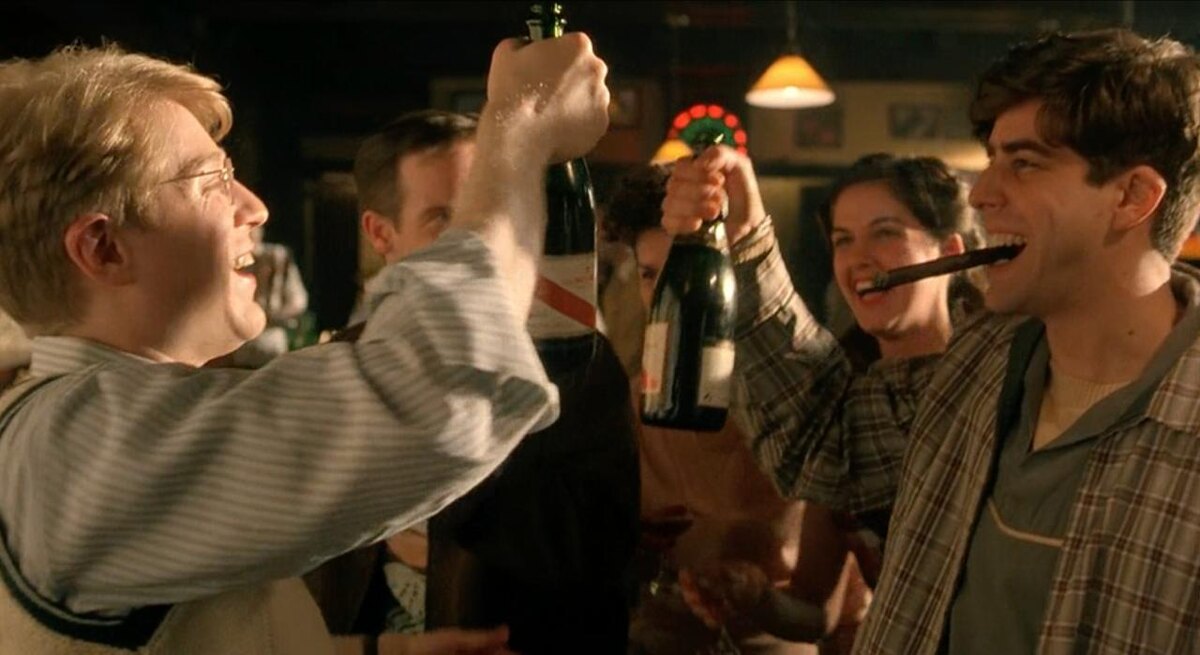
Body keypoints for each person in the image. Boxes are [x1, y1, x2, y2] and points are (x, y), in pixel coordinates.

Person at [0, 31, 610, 655]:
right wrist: (523, 124)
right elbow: (437, 392)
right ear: (103, 247)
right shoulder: (67, 448)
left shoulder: (75, 432)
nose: (255, 208)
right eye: (212, 179)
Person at [661, 28, 1200, 653]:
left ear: (1133, 196)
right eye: (992, 159)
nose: (982, 194)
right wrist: (747, 231)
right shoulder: (982, 363)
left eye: (1024, 163)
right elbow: (822, 443)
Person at [346, 109, 639, 653]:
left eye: (489, 215)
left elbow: (599, 557)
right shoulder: (346, 365)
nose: (477, 244)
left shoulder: (576, 363)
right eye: (445, 220)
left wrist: (436, 519)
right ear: (382, 233)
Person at [676, 154, 986, 653]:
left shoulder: (991, 382)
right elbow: (813, 609)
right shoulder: (847, 409)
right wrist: (756, 597)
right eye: (843, 240)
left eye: (885, 233)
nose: (858, 257)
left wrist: (748, 237)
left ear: (950, 251)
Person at [603, 163, 869, 655]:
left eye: (685, 271)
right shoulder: (626, 405)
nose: (668, 295)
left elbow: (819, 616)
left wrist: (755, 595)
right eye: (650, 275)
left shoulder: (792, 404)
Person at [210, 226, 310, 368]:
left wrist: (267, 317)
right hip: (238, 352)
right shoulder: (233, 260)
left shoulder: (276, 258)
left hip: (270, 346)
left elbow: (298, 302)